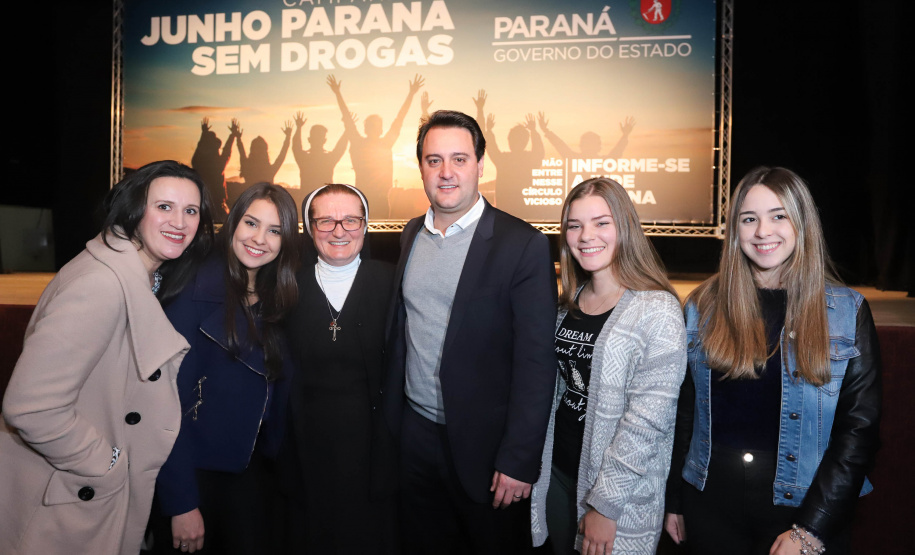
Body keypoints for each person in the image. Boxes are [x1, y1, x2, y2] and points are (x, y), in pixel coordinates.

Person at [664, 167, 882, 555]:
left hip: (802, 510)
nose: (763, 231)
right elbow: (684, 413)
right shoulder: (703, 305)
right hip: (710, 505)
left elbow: (858, 431)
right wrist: (674, 501)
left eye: (778, 216)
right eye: (750, 219)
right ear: (735, 230)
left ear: (802, 222)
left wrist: (812, 529)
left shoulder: (848, 311)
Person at [0, 160, 214, 554]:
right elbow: (30, 408)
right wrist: (110, 462)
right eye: (164, 206)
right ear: (134, 209)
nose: (180, 222)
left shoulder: (136, 273)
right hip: (66, 501)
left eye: (191, 210)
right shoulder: (103, 284)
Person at [382, 109, 558, 554]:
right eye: (433, 159)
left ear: (481, 164)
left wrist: (519, 460)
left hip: (487, 448)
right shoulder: (409, 236)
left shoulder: (523, 245)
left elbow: (536, 363)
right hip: (415, 436)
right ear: (420, 166)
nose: (446, 172)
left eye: (459, 159)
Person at [530, 177, 687, 555]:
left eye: (601, 223)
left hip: (616, 495)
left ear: (624, 228)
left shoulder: (658, 309)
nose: (586, 236)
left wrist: (604, 504)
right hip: (559, 475)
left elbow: (648, 421)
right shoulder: (569, 302)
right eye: (574, 225)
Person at [153, 183, 300, 554]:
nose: (259, 239)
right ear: (233, 223)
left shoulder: (279, 298)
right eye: (251, 223)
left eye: (274, 230)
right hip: (198, 478)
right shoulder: (191, 292)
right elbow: (163, 405)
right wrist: (181, 502)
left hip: (254, 477)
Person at [278, 183, 399, 553]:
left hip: (376, 448)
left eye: (350, 220)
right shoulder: (285, 285)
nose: (339, 230)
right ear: (309, 228)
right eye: (326, 221)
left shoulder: (393, 281)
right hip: (303, 447)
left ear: (365, 225)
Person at [327, 74, 424, 218]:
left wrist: (411, 94)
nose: (374, 129)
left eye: (376, 126)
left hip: (376, 199)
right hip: (365, 199)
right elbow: (347, 118)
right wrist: (338, 93)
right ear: (369, 129)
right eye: (372, 126)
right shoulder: (374, 143)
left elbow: (399, 118)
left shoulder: (380, 144)